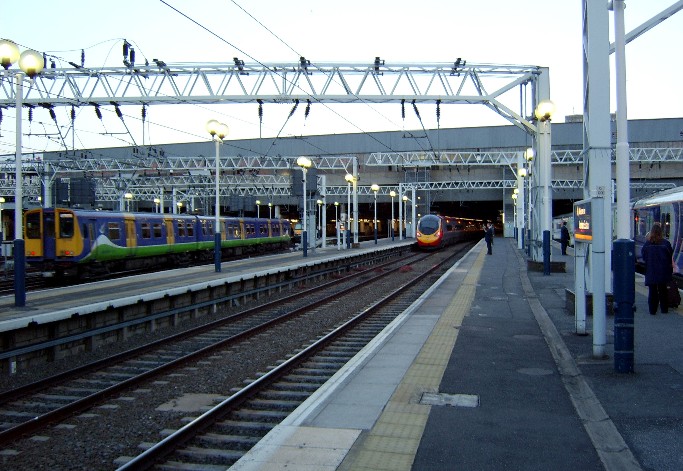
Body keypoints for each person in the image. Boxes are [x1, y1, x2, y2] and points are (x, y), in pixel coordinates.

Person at [641, 222, 673, 315]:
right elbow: (670, 256)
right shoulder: (666, 244)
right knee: (663, 290)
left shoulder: (647, 245)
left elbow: (643, 257)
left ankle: (652, 310)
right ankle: (664, 310)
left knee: (652, 291)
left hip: (651, 271)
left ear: (651, 232)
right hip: (663, 271)